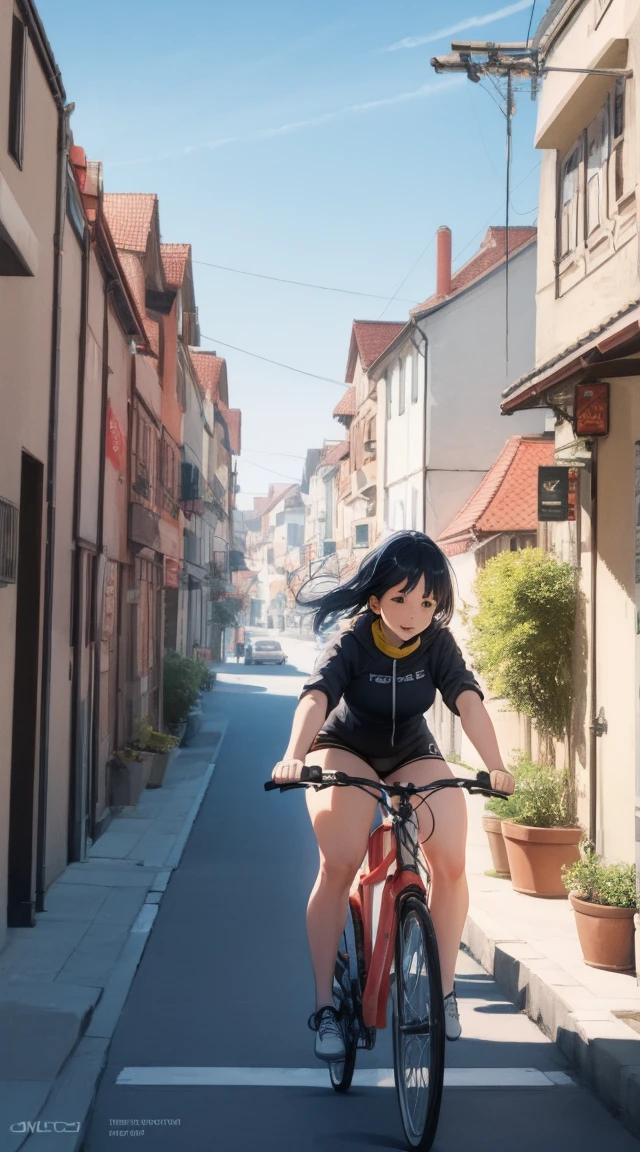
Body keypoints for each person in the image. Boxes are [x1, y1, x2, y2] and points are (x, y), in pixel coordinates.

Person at [271, 531, 514, 1064]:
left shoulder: (436, 643)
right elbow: (316, 697)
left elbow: (467, 701)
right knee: (339, 863)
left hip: (410, 749)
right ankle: (326, 1009)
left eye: (427, 602)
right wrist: (294, 754)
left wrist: (495, 765)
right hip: (343, 747)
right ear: (377, 597)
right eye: (402, 598)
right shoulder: (352, 639)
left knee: (450, 860)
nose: (414, 613)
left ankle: (444, 990)